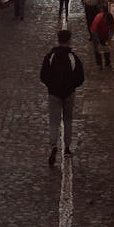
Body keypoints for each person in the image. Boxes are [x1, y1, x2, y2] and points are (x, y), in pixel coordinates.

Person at [40, 29, 85, 166]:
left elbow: (43, 75)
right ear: (69, 40)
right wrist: (71, 86)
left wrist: (51, 86)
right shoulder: (73, 57)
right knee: (68, 120)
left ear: (58, 40)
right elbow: (80, 77)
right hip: (69, 94)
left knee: (54, 121)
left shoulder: (50, 56)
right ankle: (67, 148)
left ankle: (53, 145)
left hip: (53, 94)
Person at [89, 1, 114, 68]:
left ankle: (107, 63)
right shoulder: (98, 19)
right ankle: (99, 64)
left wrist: (109, 38)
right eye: (106, 22)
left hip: (105, 34)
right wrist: (99, 43)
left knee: (107, 48)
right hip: (96, 33)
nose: (107, 24)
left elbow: (112, 30)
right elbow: (94, 32)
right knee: (97, 49)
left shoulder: (111, 19)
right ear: (104, 19)